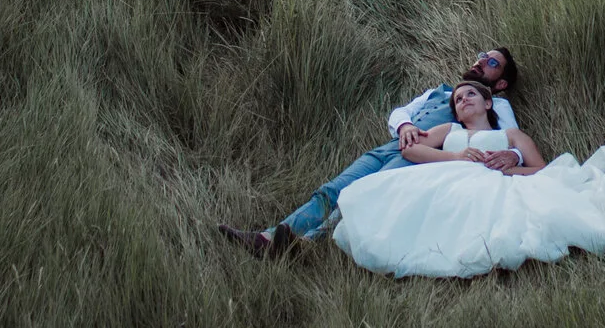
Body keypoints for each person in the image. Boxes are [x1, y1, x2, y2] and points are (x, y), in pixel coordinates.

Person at [331, 80, 605, 278]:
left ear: (488, 102)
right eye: (458, 100)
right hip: (450, 176)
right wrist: (455, 157)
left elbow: (541, 170)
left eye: (470, 96)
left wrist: (509, 169)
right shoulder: (450, 131)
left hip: (499, 183)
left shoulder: (511, 135)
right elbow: (412, 151)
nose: (463, 101)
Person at [217, 47, 522, 256]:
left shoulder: (500, 105)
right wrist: (403, 127)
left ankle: (307, 245)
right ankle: (269, 237)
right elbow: (401, 111)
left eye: (492, 62)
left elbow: (507, 142)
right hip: (392, 146)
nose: (481, 61)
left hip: (422, 160)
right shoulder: (439, 91)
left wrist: (516, 157)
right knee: (332, 189)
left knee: (359, 197)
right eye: (482, 56)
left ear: (501, 83)